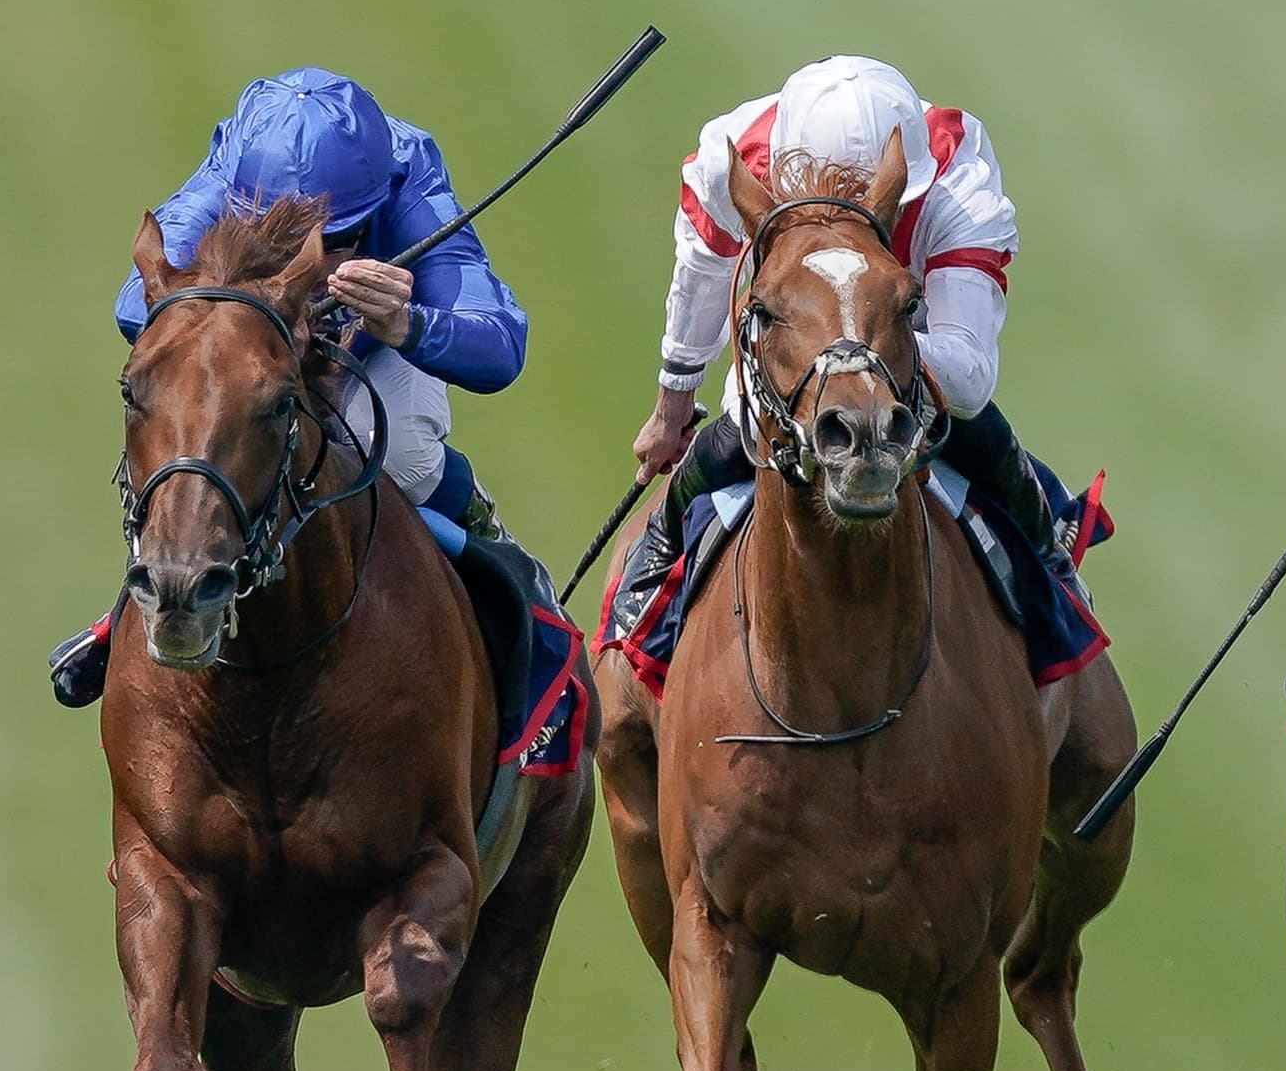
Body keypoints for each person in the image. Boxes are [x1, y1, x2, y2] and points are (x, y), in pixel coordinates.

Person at [52, 67, 538, 705]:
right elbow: (132, 302)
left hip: (372, 351)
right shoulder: (233, 168)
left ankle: (494, 558)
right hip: (257, 351)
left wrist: (406, 322)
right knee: (198, 425)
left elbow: (500, 344)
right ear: (242, 201)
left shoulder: (408, 170)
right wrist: (253, 318)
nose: (304, 262)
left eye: (332, 242)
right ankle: (133, 607)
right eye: (269, 237)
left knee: (394, 452)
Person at [610, 54, 1077, 615]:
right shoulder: (734, 156)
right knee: (736, 437)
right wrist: (672, 405)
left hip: (901, 342)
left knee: (979, 430)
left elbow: (970, 376)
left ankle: (1051, 569)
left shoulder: (959, 183)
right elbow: (705, 267)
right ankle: (658, 554)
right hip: (795, 347)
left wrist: (850, 346)